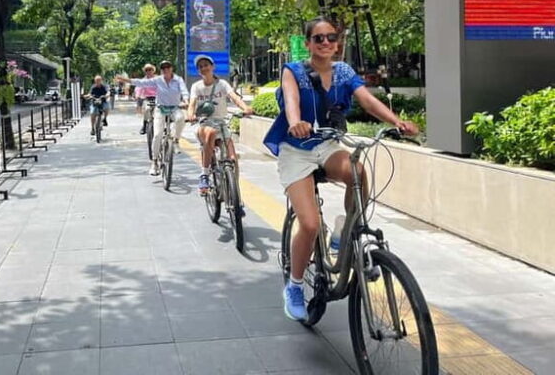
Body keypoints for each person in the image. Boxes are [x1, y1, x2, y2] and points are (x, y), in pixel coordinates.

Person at [263, 17, 419, 322]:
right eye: (318, 38)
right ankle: (294, 287)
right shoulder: (293, 70)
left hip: (327, 146)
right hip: (296, 150)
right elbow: (291, 99)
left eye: (331, 38)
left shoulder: (344, 72)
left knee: (357, 172)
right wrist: (295, 121)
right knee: (308, 224)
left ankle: (344, 232)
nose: (325, 43)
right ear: (307, 43)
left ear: (338, 42)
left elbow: (368, 101)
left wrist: (396, 122)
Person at [186, 55, 253, 195]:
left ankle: (235, 195)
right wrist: (190, 115)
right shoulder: (196, 87)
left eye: (206, 65)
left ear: (212, 67)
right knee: (210, 133)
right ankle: (204, 174)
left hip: (222, 124)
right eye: (200, 66)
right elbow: (191, 104)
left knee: (233, 160)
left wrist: (245, 108)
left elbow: (234, 97)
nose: (204, 68)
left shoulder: (222, 84)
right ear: (199, 71)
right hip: (204, 123)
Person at [117, 60, 189, 176]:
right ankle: (154, 161)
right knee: (157, 135)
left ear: (172, 69)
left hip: (175, 108)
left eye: (168, 67)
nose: (166, 70)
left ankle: (175, 140)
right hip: (160, 109)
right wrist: (126, 80)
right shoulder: (157, 80)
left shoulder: (178, 80)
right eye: (163, 68)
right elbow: (141, 83)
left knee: (181, 118)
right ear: (161, 70)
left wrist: (186, 101)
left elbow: (184, 91)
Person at [134, 63, 158, 134]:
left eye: (150, 70)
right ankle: (144, 126)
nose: (148, 71)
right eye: (147, 70)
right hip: (148, 98)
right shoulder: (143, 80)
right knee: (147, 109)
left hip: (158, 98)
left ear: (153, 70)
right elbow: (139, 88)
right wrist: (137, 95)